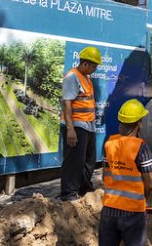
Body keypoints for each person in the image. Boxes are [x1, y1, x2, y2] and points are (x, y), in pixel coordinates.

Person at [99, 99, 152, 246]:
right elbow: (149, 184)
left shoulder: (109, 144)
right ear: (139, 123)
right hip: (133, 212)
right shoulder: (141, 148)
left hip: (109, 210)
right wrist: (142, 202)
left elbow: (105, 176)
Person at [59, 46, 102, 201]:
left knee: (89, 159)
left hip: (88, 125)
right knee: (74, 161)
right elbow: (67, 103)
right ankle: (68, 193)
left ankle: (84, 186)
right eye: (94, 66)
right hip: (77, 126)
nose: (95, 69)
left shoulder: (86, 78)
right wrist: (70, 129)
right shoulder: (72, 77)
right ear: (85, 64)